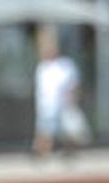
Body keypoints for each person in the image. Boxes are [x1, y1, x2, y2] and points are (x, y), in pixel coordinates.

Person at [33, 24, 89, 156]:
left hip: (63, 105)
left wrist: (71, 100)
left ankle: (69, 151)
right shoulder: (42, 67)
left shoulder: (65, 65)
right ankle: (43, 152)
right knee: (45, 130)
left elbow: (73, 85)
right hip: (47, 106)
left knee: (69, 131)